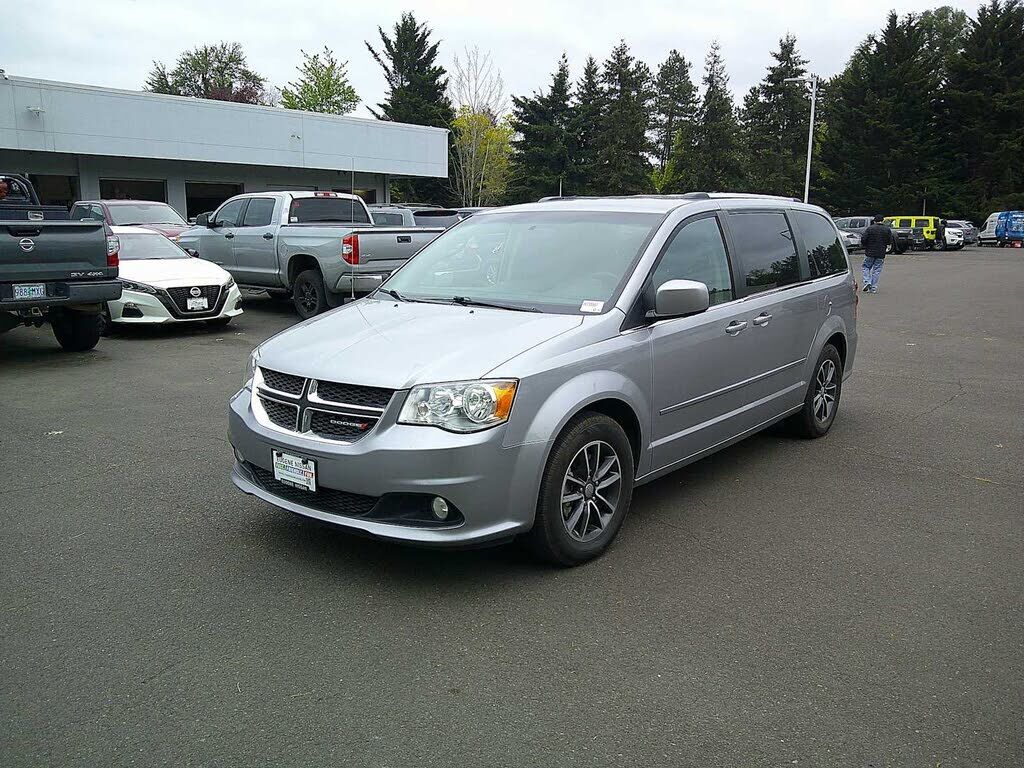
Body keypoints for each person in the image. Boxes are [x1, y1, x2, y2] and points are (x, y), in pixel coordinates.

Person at [860, 214, 895, 293]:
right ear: (882, 221)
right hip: (881, 253)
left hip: (869, 252)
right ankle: (873, 288)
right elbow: (889, 241)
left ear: (875, 221)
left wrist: (865, 245)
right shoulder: (887, 229)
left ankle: (867, 282)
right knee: (877, 270)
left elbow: (864, 239)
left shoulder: (870, 229)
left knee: (866, 267)